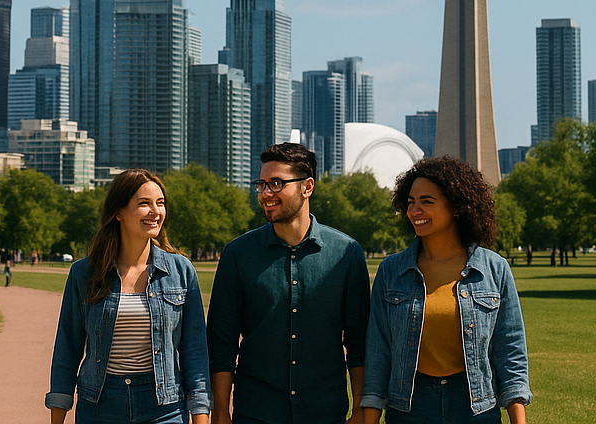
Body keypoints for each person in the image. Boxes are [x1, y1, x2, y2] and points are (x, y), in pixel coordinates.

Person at [360, 156, 531, 424]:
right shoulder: (391, 271)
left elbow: (510, 350)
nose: (415, 210)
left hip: (476, 408)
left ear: (457, 207)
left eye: (427, 201)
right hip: (410, 409)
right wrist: (370, 417)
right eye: (410, 202)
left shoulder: (494, 269)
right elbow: (378, 353)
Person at [207, 142, 369, 424]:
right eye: (262, 185)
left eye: (277, 183)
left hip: (325, 413)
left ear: (307, 187)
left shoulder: (347, 253)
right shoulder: (237, 254)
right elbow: (222, 344)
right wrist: (220, 412)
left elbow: (359, 343)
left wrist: (359, 409)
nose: (266, 193)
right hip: (255, 413)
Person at [47, 168, 210, 424]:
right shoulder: (85, 273)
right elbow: (67, 348)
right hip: (100, 405)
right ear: (118, 212)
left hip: (164, 408)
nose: (155, 211)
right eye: (144, 203)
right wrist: (57, 416)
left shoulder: (181, 271)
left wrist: (200, 415)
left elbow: (195, 351)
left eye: (160, 203)